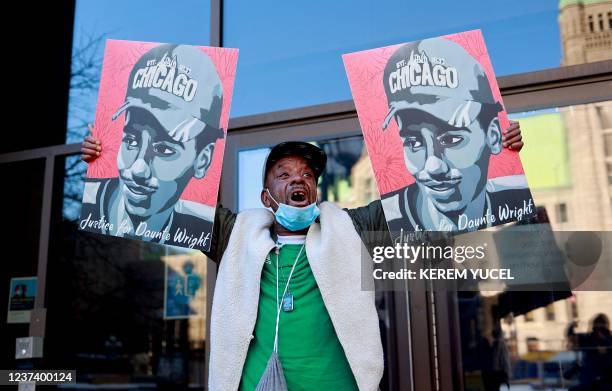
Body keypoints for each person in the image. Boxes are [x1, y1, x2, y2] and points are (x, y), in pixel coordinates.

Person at [82, 97, 524, 391]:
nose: (299, 180)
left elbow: (434, 200)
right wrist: (101, 158)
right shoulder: (234, 235)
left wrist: (498, 151)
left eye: (307, 176)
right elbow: (159, 201)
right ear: (266, 195)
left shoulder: (351, 226)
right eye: (285, 175)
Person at [380, 38, 531, 235]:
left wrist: (513, 150)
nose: (433, 167)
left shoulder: (516, 198)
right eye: (414, 142)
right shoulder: (383, 220)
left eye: (451, 139)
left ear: (493, 136)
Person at [80, 44, 224, 247]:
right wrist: (94, 158)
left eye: (164, 149)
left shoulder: (203, 227)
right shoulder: (86, 203)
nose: (138, 168)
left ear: (202, 160)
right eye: (131, 140)